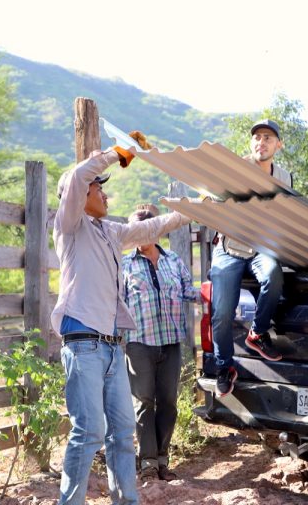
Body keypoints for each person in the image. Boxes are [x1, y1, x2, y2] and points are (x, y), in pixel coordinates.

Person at [51, 144, 191, 505]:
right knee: (89, 432)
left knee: (123, 432)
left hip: (113, 347)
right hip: (83, 343)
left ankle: (127, 500)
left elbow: (152, 227)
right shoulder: (70, 225)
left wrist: (190, 210)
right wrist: (116, 153)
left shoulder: (110, 231)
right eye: (99, 188)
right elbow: (77, 176)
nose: (105, 195)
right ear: (81, 194)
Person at [210, 119, 293, 397]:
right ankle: (224, 367)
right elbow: (215, 202)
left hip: (260, 249)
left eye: (268, 138)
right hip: (230, 247)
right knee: (222, 313)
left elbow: (287, 215)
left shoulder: (284, 178)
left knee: (273, 275)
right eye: (257, 137)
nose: (261, 142)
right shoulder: (236, 170)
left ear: (278, 145)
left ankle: (257, 333)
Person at [121, 204, 199, 483]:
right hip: (139, 343)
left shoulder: (173, 260)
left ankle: (162, 460)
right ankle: (148, 464)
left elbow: (189, 291)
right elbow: (117, 303)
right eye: (134, 231)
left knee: (168, 402)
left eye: (144, 229)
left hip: (170, 342)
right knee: (144, 401)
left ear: (156, 230)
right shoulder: (125, 265)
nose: (139, 235)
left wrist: (213, 293)